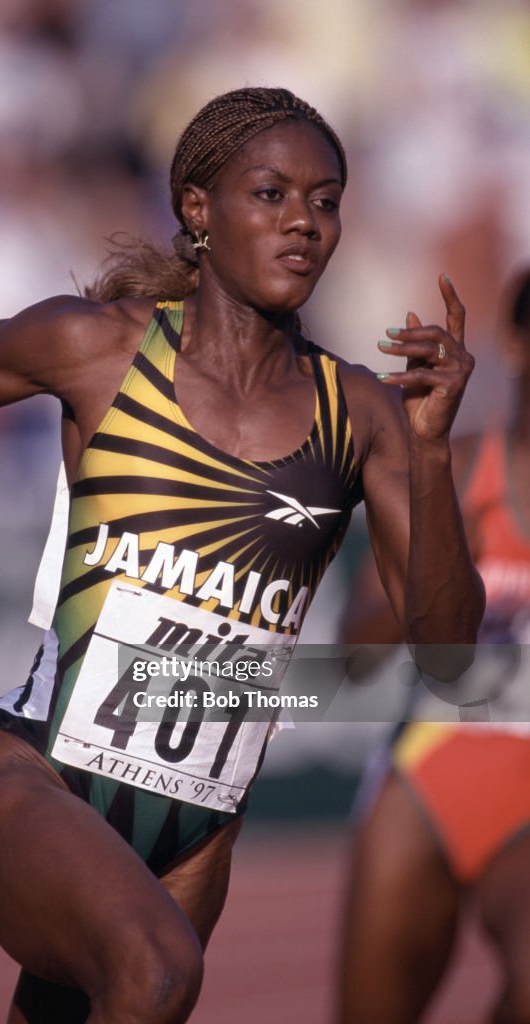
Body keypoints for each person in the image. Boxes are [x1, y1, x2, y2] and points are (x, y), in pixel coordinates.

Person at [0, 86, 483, 1024]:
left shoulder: (362, 413)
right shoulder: (95, 348)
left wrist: (431, 453)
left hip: (194, 836)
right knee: (153, 977)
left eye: (325, 202)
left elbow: (447, 659)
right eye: (270, 194)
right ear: (198, 209)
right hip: (32, 778)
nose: (303, 222)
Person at [337, 269, 530, 1024]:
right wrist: (443, 558)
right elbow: (354, 657)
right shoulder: (461, 468)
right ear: (515, 343)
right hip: (433, 773)